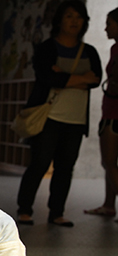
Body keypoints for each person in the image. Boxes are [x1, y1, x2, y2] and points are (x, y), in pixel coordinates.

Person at [16, 0, 101, 227]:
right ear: (59, 21)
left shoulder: (90, 51)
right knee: (40, 163)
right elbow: (48, 78)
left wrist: (64, 77)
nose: (74, 22)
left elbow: (96, 80)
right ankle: (24, 209)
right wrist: (81, 78)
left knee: (66, 167)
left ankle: (57, 213)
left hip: (76, 119)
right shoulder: (47, 48)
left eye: (78, 17)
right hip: (49, 117)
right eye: (69, 16)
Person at [84, 8, 118, 220]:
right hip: (110, 110)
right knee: (110, 163)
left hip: (113, 114)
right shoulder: (115, 48)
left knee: (108, 161)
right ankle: (108, 205)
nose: (106, 28)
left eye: (110, 23)